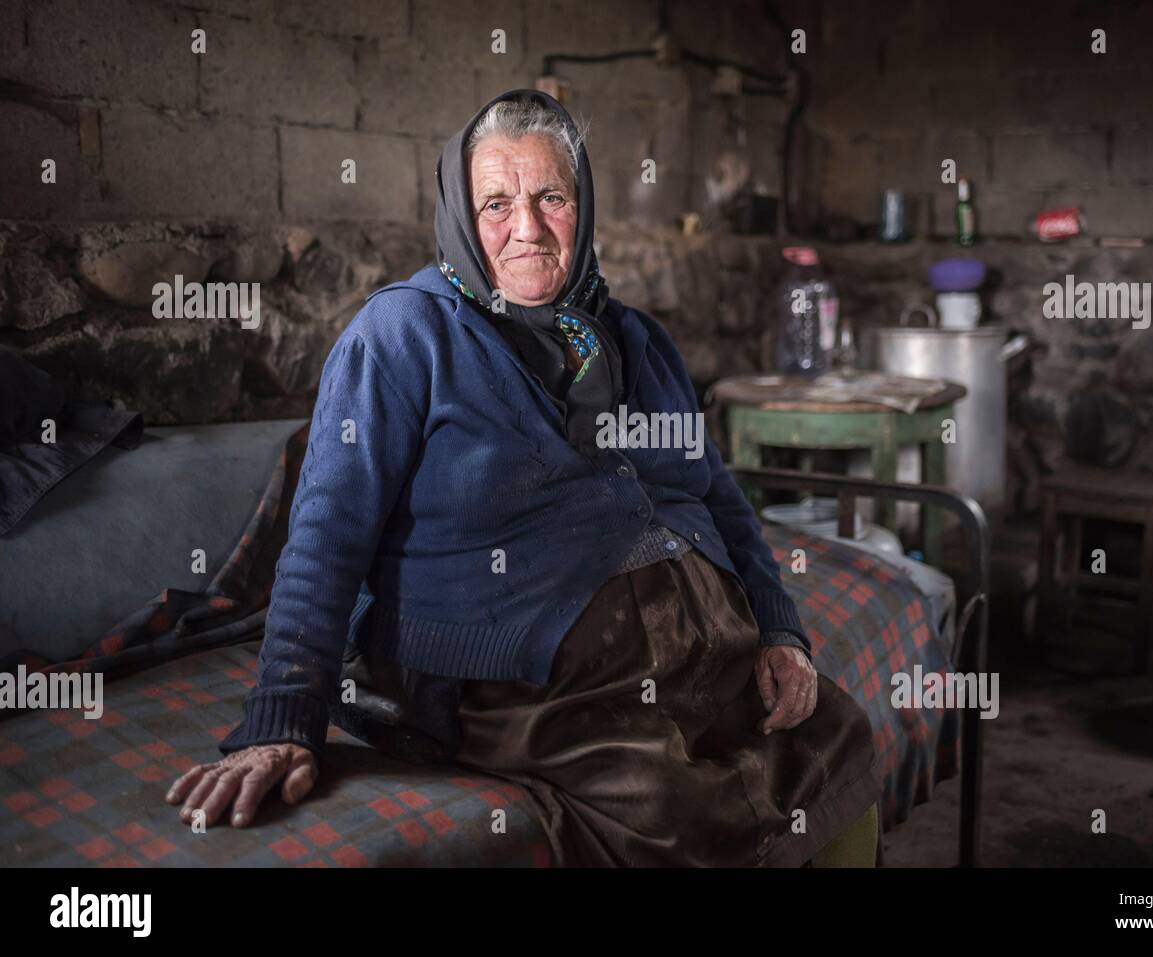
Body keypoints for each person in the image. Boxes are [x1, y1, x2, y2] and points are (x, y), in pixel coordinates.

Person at [166, 88, 882, 867]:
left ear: (586, 206)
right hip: (517, 684)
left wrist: (781, 630)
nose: (528, 228)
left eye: (551, 196)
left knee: (837, 737)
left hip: (693, 657)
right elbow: (325, 536)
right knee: (681, 811)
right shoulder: (404, 335)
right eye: (496, 203)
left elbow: (718, 495)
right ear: (459, 218)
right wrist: (282, 719)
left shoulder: (636, 340)